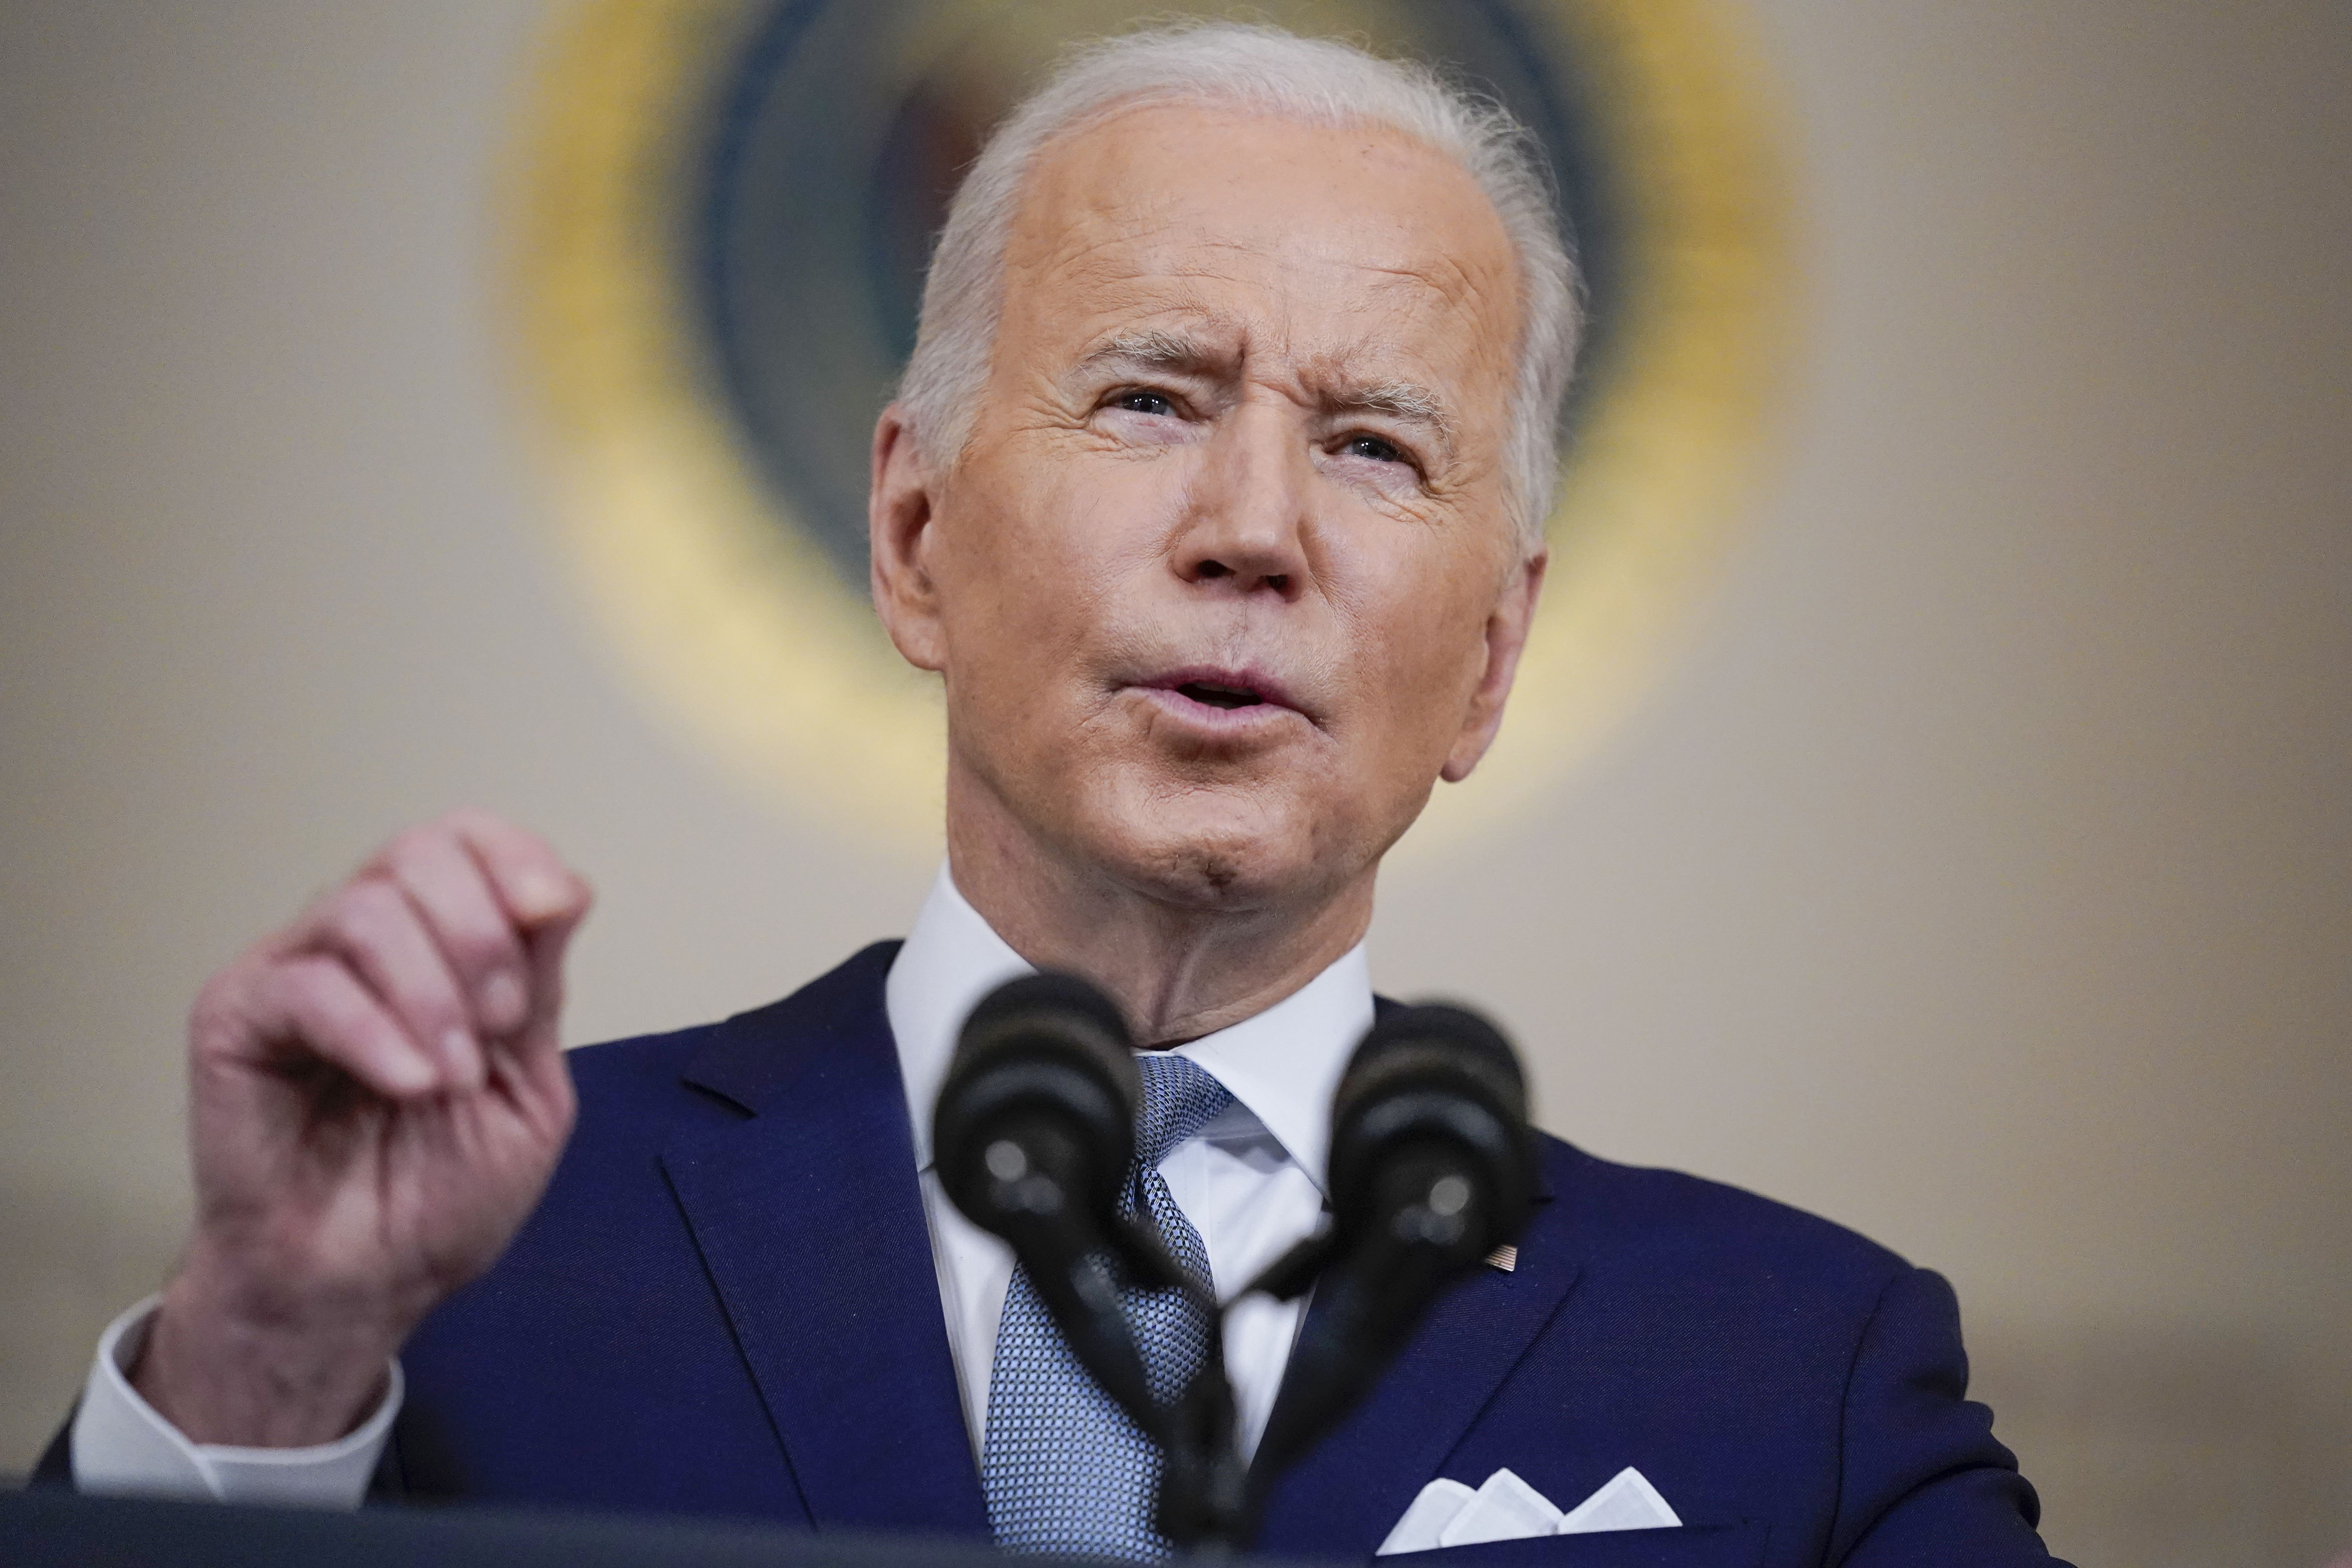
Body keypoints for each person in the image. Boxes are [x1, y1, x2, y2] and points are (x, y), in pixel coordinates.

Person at [41, 24, 2063, 1565]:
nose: (1253, 529)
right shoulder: (464, 1261)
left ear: (1494, 657)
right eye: (1151, 397)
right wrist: (266, 1361)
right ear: (916, 534)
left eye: (1372, 447)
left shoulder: (1798, 1383)